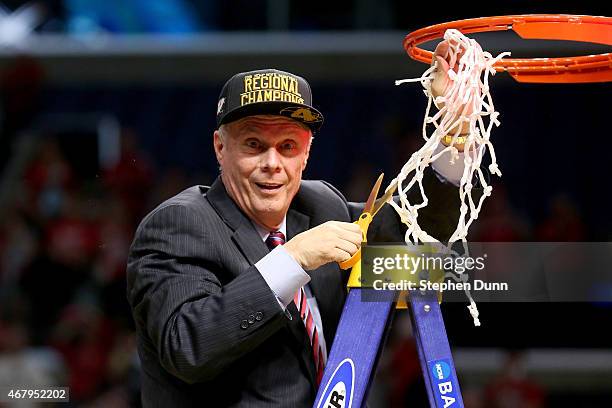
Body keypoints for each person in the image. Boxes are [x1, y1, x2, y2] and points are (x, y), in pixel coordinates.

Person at [127, 61, 466, 406]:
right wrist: (291, 260)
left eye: (287, 146)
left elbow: (418, 240)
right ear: (220, 147)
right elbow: (187, 348)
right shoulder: (178, 224)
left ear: (306, 153)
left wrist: (454, 129)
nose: (272, 162)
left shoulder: (321, 205)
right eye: (254, 144)